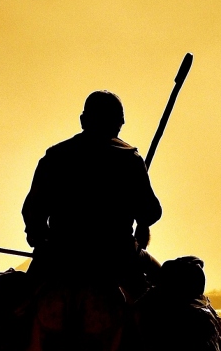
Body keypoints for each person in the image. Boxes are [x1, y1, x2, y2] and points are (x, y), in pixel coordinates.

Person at [22, 90, 162, 289]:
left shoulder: (55, 156)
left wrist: (40, 241)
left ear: (83, 120)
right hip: (118, 257)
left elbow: (32, 211)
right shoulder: (131, 159)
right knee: (167, 294)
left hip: (59, 255)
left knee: (19, 308)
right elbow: (151, 213)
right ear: (118, 123)